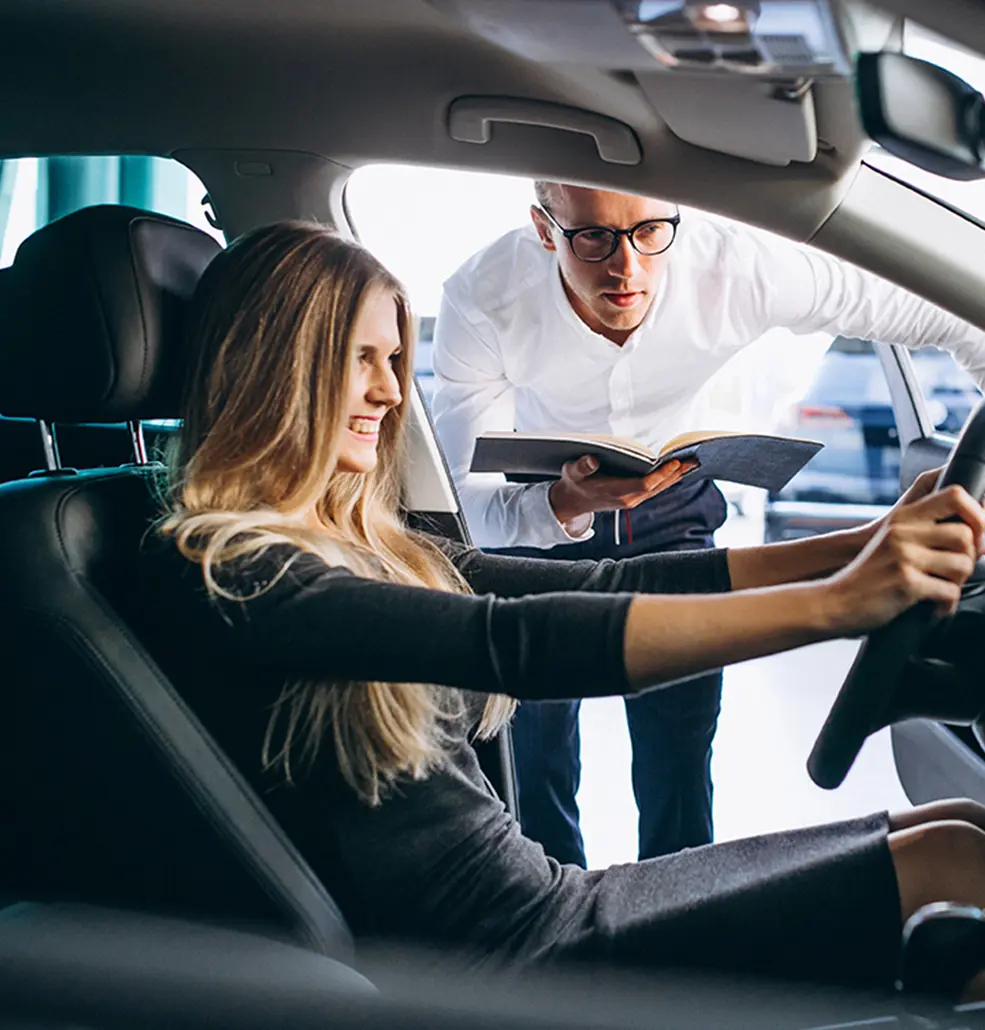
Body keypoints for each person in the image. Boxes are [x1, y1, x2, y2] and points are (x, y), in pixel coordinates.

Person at [132, 221, 985, 996]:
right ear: (279, 364)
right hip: (509, 959)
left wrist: (859, 544)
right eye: (360, 359)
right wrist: (838, 604)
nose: (391, 393)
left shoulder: (358, 540)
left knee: (955, 828)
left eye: (393, 360)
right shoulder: (230, 569)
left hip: (545, 903)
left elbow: (599, 587)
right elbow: (514, 643)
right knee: (951, 862)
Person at [430, 183, 985, 867]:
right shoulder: (483, 295)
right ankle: (559, 922)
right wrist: (564, 506)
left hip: (675, 501)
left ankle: (675, 926)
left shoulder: (741, 266)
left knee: (681, 745)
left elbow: (953, 310)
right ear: (545, 230)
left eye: (648, 233)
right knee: (535, 753)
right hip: (539, 513)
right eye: (593, 237)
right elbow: (465, 499)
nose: (626, 266)